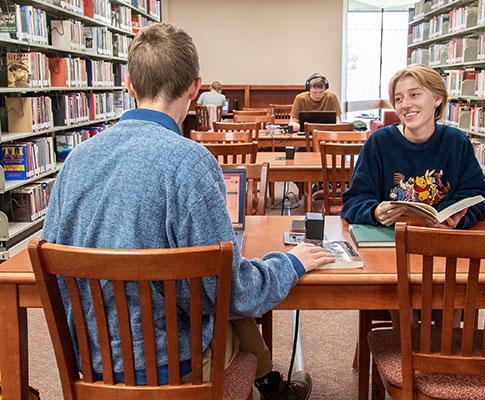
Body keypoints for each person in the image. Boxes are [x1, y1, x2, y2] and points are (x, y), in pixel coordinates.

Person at [43, 23, 335, 400]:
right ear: (195, 88)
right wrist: (292, 263)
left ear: (130, 84)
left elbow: (57, 261)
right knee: (233, 302)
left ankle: (273, 386)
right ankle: (273, 387)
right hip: (173, 366)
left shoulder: (77, 159)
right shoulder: (191, 163)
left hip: (94, 358)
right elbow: (236, 293)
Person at [341, 64, 485, 229]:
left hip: (443, 242)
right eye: (398, 99)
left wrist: (460, 219)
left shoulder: (457, 142)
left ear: (437, 98)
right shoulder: (379, 142)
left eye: (414, 95)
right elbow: (354, 201)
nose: (405, 105)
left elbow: (477, 199)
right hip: (389, 244)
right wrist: (374, 212)